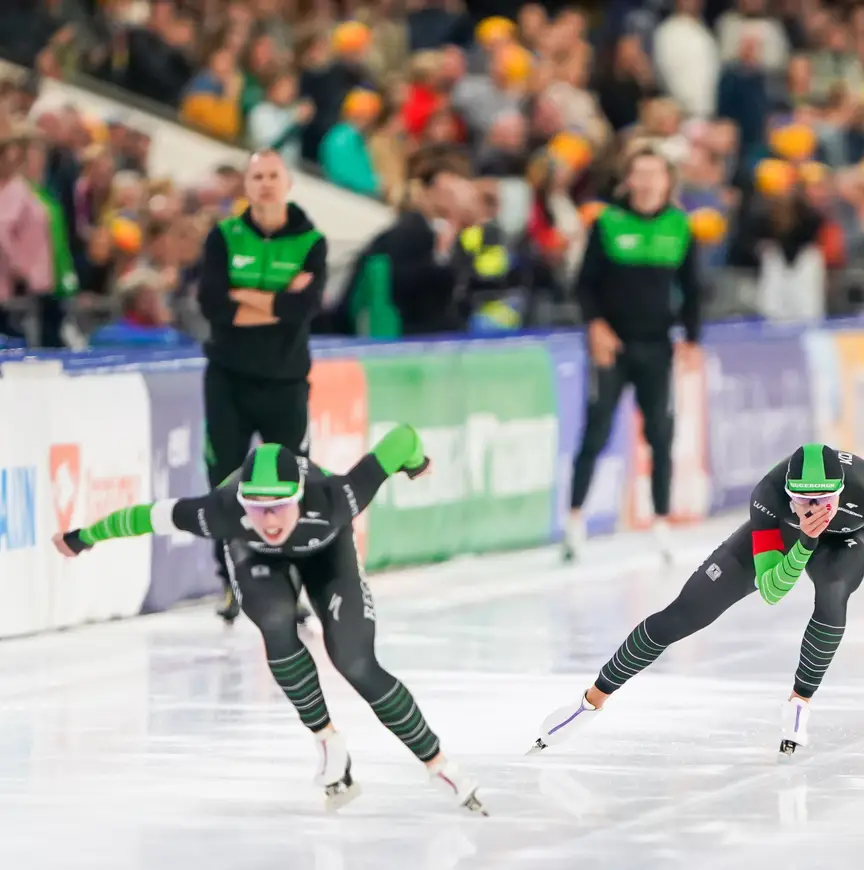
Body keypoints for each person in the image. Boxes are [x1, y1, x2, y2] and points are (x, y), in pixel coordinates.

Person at [52, 423, 487, 815]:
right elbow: (143, 517)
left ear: (298, 497)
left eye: (279, 505)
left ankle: (438, 765)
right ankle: (327, 739)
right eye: (257, 507)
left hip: (327, 551)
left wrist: (416, 461)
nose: (270, 519)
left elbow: (403, 438)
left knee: (355, 661)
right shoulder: (221, 510)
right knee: (275, 622)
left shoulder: (337, 498)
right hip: (255, 557)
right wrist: (83, 537)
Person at [532, 443, 863, 758]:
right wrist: (805, 543)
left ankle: (799, 702)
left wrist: (810, 538)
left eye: (823, 499)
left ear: (841, 490)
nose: (813, 508)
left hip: (848, 542)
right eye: (803, 499)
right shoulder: (769, 493)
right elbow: (772, 591)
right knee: (683, 615)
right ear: (788, 492)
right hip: (788, 534)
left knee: (833, 594)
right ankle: (591, 701)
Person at [197, 149, 326, 625]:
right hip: (228, 379)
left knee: (291, 485)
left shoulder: (311, 241)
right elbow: (212, 304)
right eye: (257, 177)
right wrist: (277, 300)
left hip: (286, 382)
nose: (266, 184)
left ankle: (290, 585)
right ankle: (231, 583)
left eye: (273, 175)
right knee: (225, 481)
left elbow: (303, 309)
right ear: (246, 185)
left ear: (288, 182)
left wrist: (244, 298)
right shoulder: (224, 236)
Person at [564, 147, 703, 564]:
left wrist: (692, 339)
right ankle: (575, 519)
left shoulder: (679, 226)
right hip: (613, 345)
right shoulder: (607, 223)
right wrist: (595, 325)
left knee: (660, 433)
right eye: (639, 173)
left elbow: (693, 288)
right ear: (627, 181)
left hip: (657, 345)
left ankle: (661, 521)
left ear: (668, 181)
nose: (647, 182)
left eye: (654, 174)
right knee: (596, 429)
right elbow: (584, 283)